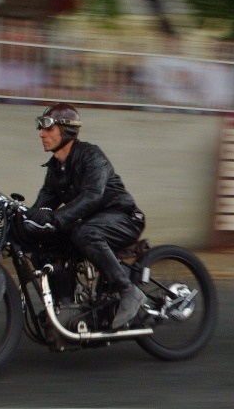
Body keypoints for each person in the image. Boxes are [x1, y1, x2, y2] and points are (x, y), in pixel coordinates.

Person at [20, 102, 147, 329]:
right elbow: (42, 206)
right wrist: (21, 219)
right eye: (41, 128)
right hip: (93, 223)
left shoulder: (91, 156)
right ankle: (68, 306)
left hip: (125, 218)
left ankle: (128, 291)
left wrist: (56, 218)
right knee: (44, 247)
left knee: (84, 232)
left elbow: (92, 196)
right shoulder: (56, 169)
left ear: (67, 130)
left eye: (48, 128)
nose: (42, 134)